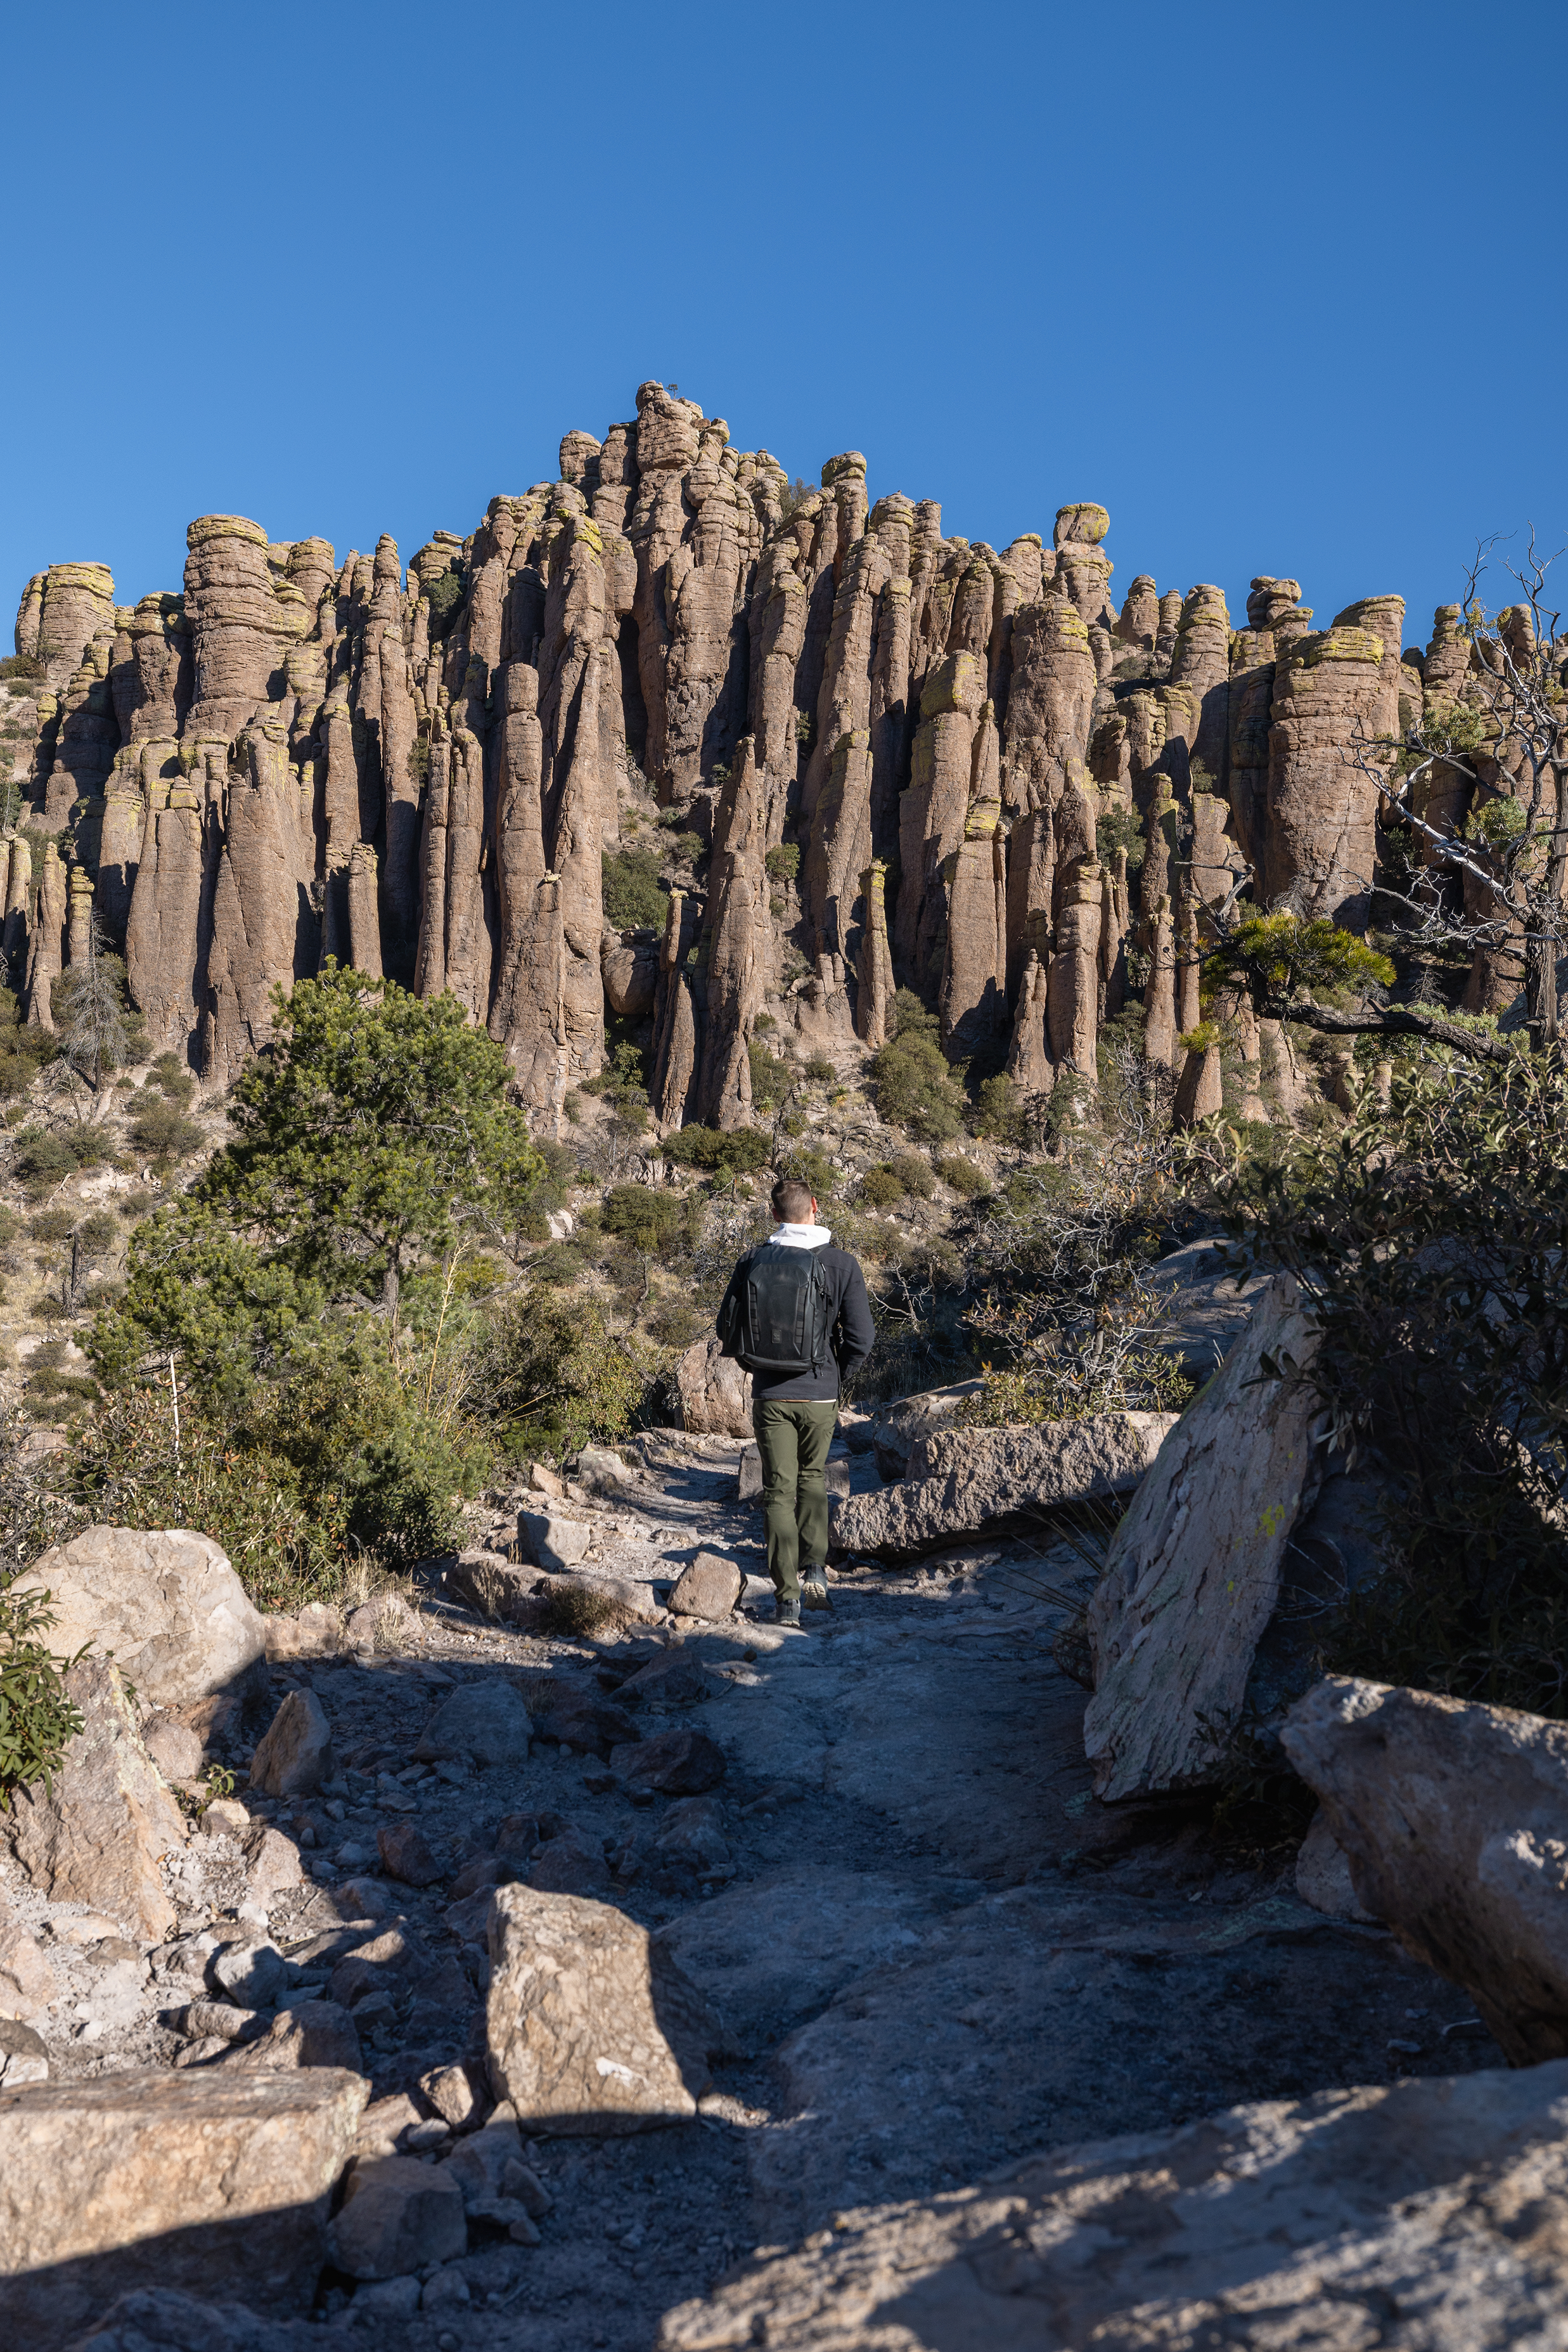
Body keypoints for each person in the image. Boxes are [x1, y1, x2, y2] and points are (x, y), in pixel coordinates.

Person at [717, 1177, 875, 1627]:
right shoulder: (842, 1263)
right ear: (815, 1207)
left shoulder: (752, 1260)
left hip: (770, 1394)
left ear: (774, 1215)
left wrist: (758, 1364)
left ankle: (786, 1599)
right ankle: (817, 1577)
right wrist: (835, 1374)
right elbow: (862, 1338)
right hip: (821, 1393)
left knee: (777, 1491)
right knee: (812, 1480)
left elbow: (725, 1328)